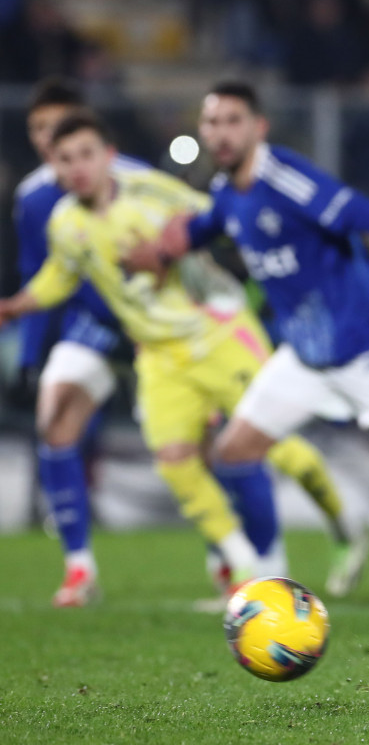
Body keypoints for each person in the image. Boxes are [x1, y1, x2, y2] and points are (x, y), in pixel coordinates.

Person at [0, 112, 342, 595]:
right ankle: (245, 566)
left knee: (277, 448)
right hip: (160, 354)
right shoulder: (65, 223)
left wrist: (168, 250)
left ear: (109, 158)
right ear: (53, 168)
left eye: (85, 155)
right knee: (176, 459)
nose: (76, 168)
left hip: (216, 332)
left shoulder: (150, 192)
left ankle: (341, 521)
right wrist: (17, 306)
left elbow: (216, 218)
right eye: (64, 160)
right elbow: (61, 273)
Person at [137, 80, 369, 544]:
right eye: (212, 122)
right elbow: (205, 228)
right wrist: (164, 252)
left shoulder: (284, 179)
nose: (221, 133)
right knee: (235, 453)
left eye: (232, 121)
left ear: (258, 127)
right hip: (306, 356)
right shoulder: (226, 193)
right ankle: (261, 578)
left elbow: (368, 216)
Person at [12, 78, 145, 606]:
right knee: (55, 417)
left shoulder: (137, 179)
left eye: (59, 125)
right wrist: (28, 355)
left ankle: (230, 565)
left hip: (155, 326)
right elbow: (36, 274)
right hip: (90, 326)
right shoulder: (33, 196)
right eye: (38, 129)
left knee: (192, 443)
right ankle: (78, 569)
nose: (48, 138)